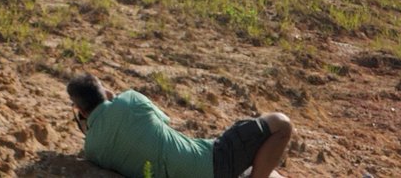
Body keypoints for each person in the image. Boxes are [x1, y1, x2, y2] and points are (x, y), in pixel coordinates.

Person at [66, 72, 292, 178]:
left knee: (260, 170)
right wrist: (113, 98)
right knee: (281, 124)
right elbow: (165, 120)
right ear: (103, 92)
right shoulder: (130, 100)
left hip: (206, 169)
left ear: (80, 111)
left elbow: (102, 134)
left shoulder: (92, 150)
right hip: (212, 164)